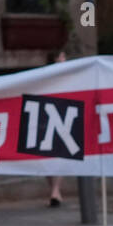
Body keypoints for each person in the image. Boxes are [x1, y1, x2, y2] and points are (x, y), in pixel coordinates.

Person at [45, 50, 67, 206]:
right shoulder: (46, 75)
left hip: (64, 116)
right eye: (62, 56)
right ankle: (55, 190)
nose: (65, 59)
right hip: (49, 117)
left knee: (59, 156)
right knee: (47, 157)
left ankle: (55, 191)